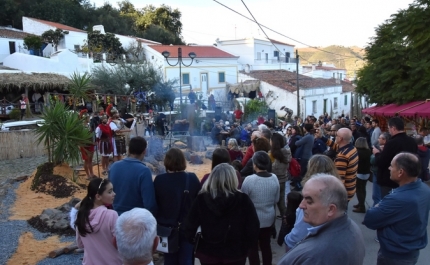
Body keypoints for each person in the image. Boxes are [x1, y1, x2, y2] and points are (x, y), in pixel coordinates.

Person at [278, 174, 365, 265]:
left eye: (309, 201)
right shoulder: (351, 228)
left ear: (331, 210)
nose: (301, 205)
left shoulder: (316, 256)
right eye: (303, 198)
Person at [182, 163, 259, 265]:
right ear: (233, 179)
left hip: (208, 252)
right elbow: (253, 227)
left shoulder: (202, 199)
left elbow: (189, 227)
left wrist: (195, 242)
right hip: (235, 254)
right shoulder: (243, 199)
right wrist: (245, 247)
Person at [363, 153, 430, 265]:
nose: (389, 168)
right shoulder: (424, 189)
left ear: (400, 172)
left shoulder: (397, 199)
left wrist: (380, 204)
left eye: (392, 166)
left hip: (395, 255)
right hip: (411, 250)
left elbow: (370, 219)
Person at [153, 148, 201, 265]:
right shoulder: (192, 178)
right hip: (188, 228)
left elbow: (155, 205)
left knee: (169, 260)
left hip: (167, 229)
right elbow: (198, 203)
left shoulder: (159, 180)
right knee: (187, 260)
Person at [284, 155, 340, 250]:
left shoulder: (312, 199)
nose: (302, 205)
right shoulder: (336, 193)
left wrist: (288, 240)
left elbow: (299, 233)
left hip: (306, 248)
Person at [242, 151, 280, 265]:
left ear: (255, 164)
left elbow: (244, 201)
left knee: (252, 247)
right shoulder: (274, 178)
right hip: (268, 217)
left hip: (252, 219)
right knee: (265, 245)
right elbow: (276, 199)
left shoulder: (249, 180)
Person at [74, 178, 122, 265]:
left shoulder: (81, 215)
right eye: (110, 192)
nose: (114, 194)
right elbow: (120, 243)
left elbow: (80, 244)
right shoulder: (111, 215)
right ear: (98, 196)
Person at [109, 136, 157, 216]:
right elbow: (149, 203)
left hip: (115, 215)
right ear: (144, 151)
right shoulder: (144, 171)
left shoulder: (114, 166)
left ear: (129, 150)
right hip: (135, 219)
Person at [373, 117, 418, 198]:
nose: (388, 130)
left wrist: (377, 153)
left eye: (389, 128)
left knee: (388, 206)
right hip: (407, 180)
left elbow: (381, 162)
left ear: (393, 128)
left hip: (390, 181)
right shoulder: (412, 141)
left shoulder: (392, 143)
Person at [317, 128, 358, 201]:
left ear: (341, 138)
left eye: (336, 135)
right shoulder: (351, 148)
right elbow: (335, 146)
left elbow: (339, 178)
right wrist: (322, 137)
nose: (335, 136)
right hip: (350, 187)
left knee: (341, 212)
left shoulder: (342, 156)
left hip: (343, 193)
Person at [269, 133, 291, 218]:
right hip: (283, 178)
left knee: (272, 202)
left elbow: (273, 168)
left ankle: (272, 220)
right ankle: (285, 218)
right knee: (281, 201)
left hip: (274, 179)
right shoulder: (286, 152)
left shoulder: (274, 154)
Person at [370, 132, 390, 207]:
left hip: (380, 173)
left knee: (377, 195)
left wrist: (376, 154)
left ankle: (377, 210)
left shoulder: (386, 150)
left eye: (380, 138)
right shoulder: (378, 146)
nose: (378, 139)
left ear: (384, 140)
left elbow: (373, 160)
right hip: (377, 172)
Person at [353, 137, 372, 213]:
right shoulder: (368, 151)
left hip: (359, 172)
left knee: (359, 190)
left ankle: (361, 206)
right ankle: (361, 203)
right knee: (363, 189)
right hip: (366, 172)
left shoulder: (357, 152)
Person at [79, 109, 96, 179]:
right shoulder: (81, 127)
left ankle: (91, 173)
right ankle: (88, 174)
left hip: (91, 143)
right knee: (87, 160)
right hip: (85, 144)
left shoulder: (89, 125)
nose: (89, 119)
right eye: (88, 118)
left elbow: (93, 134)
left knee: (91, 159)